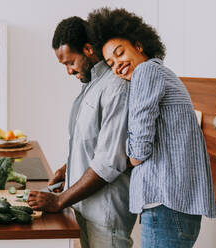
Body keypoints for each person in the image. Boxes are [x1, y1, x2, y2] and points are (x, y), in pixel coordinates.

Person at [87, 8, 216, 248]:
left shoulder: (146, 72)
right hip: (178, 207)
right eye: (111, 63)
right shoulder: (163, 73)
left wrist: (127, 153)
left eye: (120, 53)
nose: (118, 65)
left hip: (164, 204)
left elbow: (138, 152)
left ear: (138, 45)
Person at [27, 16, 137, 247]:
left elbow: (109, 161)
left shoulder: (116, 88)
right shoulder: (91, 86)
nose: (68, 71)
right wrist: (67, 171)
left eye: (70, 62)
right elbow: (92, 144)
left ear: (88, 49)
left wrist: (59, 201)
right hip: (84, 208)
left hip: (105, 215)